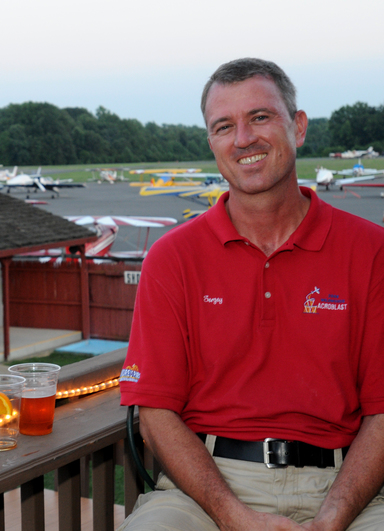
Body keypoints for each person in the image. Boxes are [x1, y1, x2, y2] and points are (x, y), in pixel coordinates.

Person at [119, 58, 384, 530]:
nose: (243, 139)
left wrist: (333, 518)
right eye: (224, 126)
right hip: (207, 487)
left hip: (348, 485)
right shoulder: (172, 257)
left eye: (260, 117)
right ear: (211, 143)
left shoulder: (371, 250)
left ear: (298, 127)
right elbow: (155, 413)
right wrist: (233, 516)